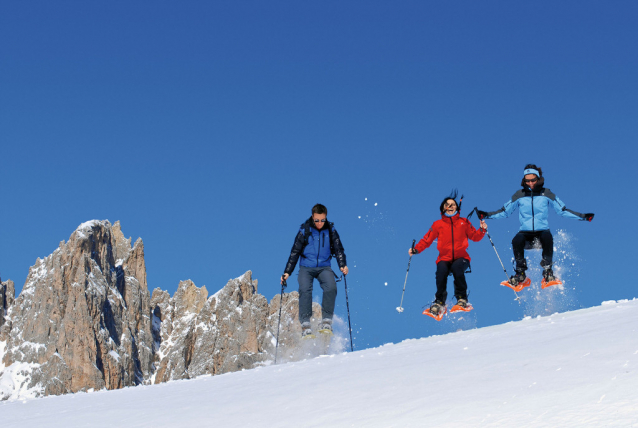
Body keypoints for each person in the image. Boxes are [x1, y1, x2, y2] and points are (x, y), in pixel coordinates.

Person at [476, 164, 594, 286]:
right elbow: (505, 212)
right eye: (527, 181)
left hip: (542, 232)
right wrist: (486, 215)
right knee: (516, 240)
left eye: (533, 180)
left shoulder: (546, 193)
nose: (531, 183)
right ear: (524, 181)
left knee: (548, 237)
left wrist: (583, 217)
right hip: (525, 233)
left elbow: (562, 210)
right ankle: (521, 274)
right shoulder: (519, 195)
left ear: (538, 179)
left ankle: (548, 272)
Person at [410, 191, 487, 317]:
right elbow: (427, 240)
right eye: (447, 204)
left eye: (453, 205)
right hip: (444, 258)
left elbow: (475, 237)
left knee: (457, 268)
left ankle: (462, 299)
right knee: (441, 271)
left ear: (457, 207)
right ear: (443, 208)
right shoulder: (437, 225)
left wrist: (482, 229)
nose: (450, 207)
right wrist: (416, 249)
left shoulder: (464, 222)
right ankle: (439, 303)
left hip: (462, 257)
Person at [282, 203, 348, 338]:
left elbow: (338, 249)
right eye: (317, 220)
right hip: (306, 267)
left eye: (322, 220)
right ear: (313, 217)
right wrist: (287, 272)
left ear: (326, 218)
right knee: (305, 289)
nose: (319, 223)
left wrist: (342, 265)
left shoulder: (330, 230)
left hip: (324, 266)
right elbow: (295, 252)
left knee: (331, 287)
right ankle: (305, 324)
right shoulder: (304, 230)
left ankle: (327, 321)